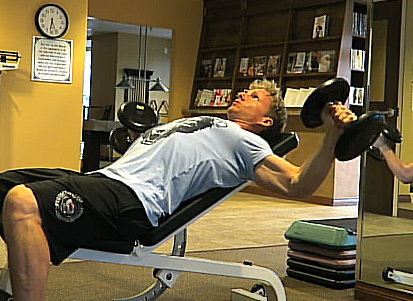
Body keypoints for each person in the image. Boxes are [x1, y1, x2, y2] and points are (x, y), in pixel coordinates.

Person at [0, 79, 356, 301]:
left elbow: (297, 183)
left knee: (22, 202)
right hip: (105, 177)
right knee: (3, 187)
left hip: (133, 200)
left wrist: (331, 137)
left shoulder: (246, 142)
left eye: (255, 95)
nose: (243, 93)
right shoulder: (212, 122)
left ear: (265, 121)